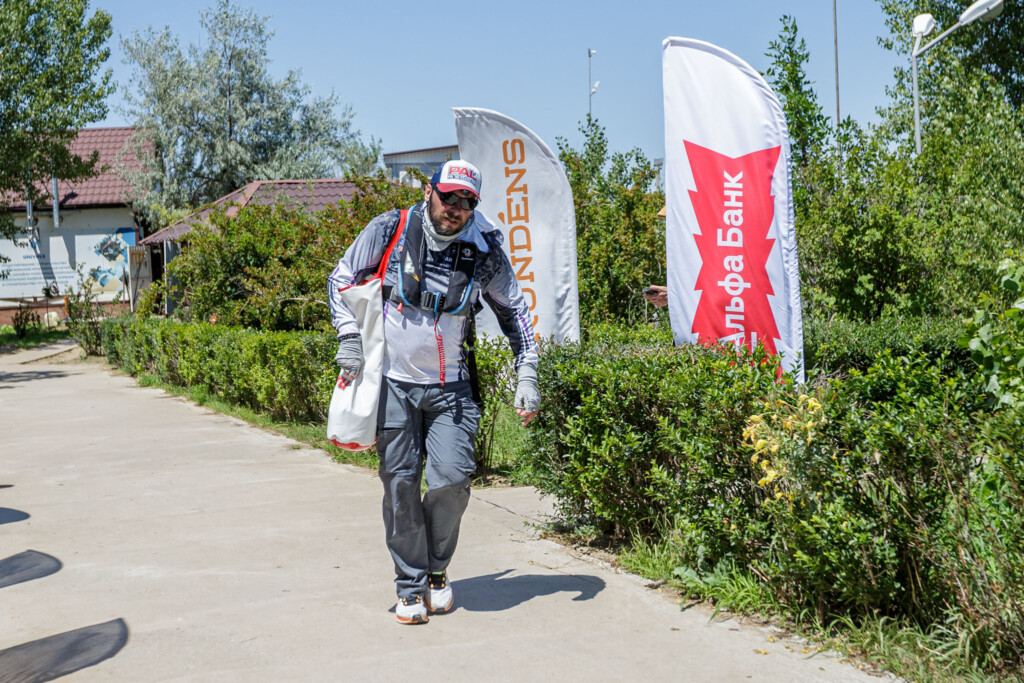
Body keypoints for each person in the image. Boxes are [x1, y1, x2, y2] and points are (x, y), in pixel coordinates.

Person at [327, 160, 540, 625]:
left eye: (467, 201)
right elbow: (341, 278)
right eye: (448, 197)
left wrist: (527, 374)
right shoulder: (390, 228)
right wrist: (348, 336)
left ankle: (437, 570)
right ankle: (410, 585)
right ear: (429, 192)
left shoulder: (484, 250)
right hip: (394, 385)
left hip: (452, 391)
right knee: (400, 486)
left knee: (452, 482)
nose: (455, 208)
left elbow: (516, 314)